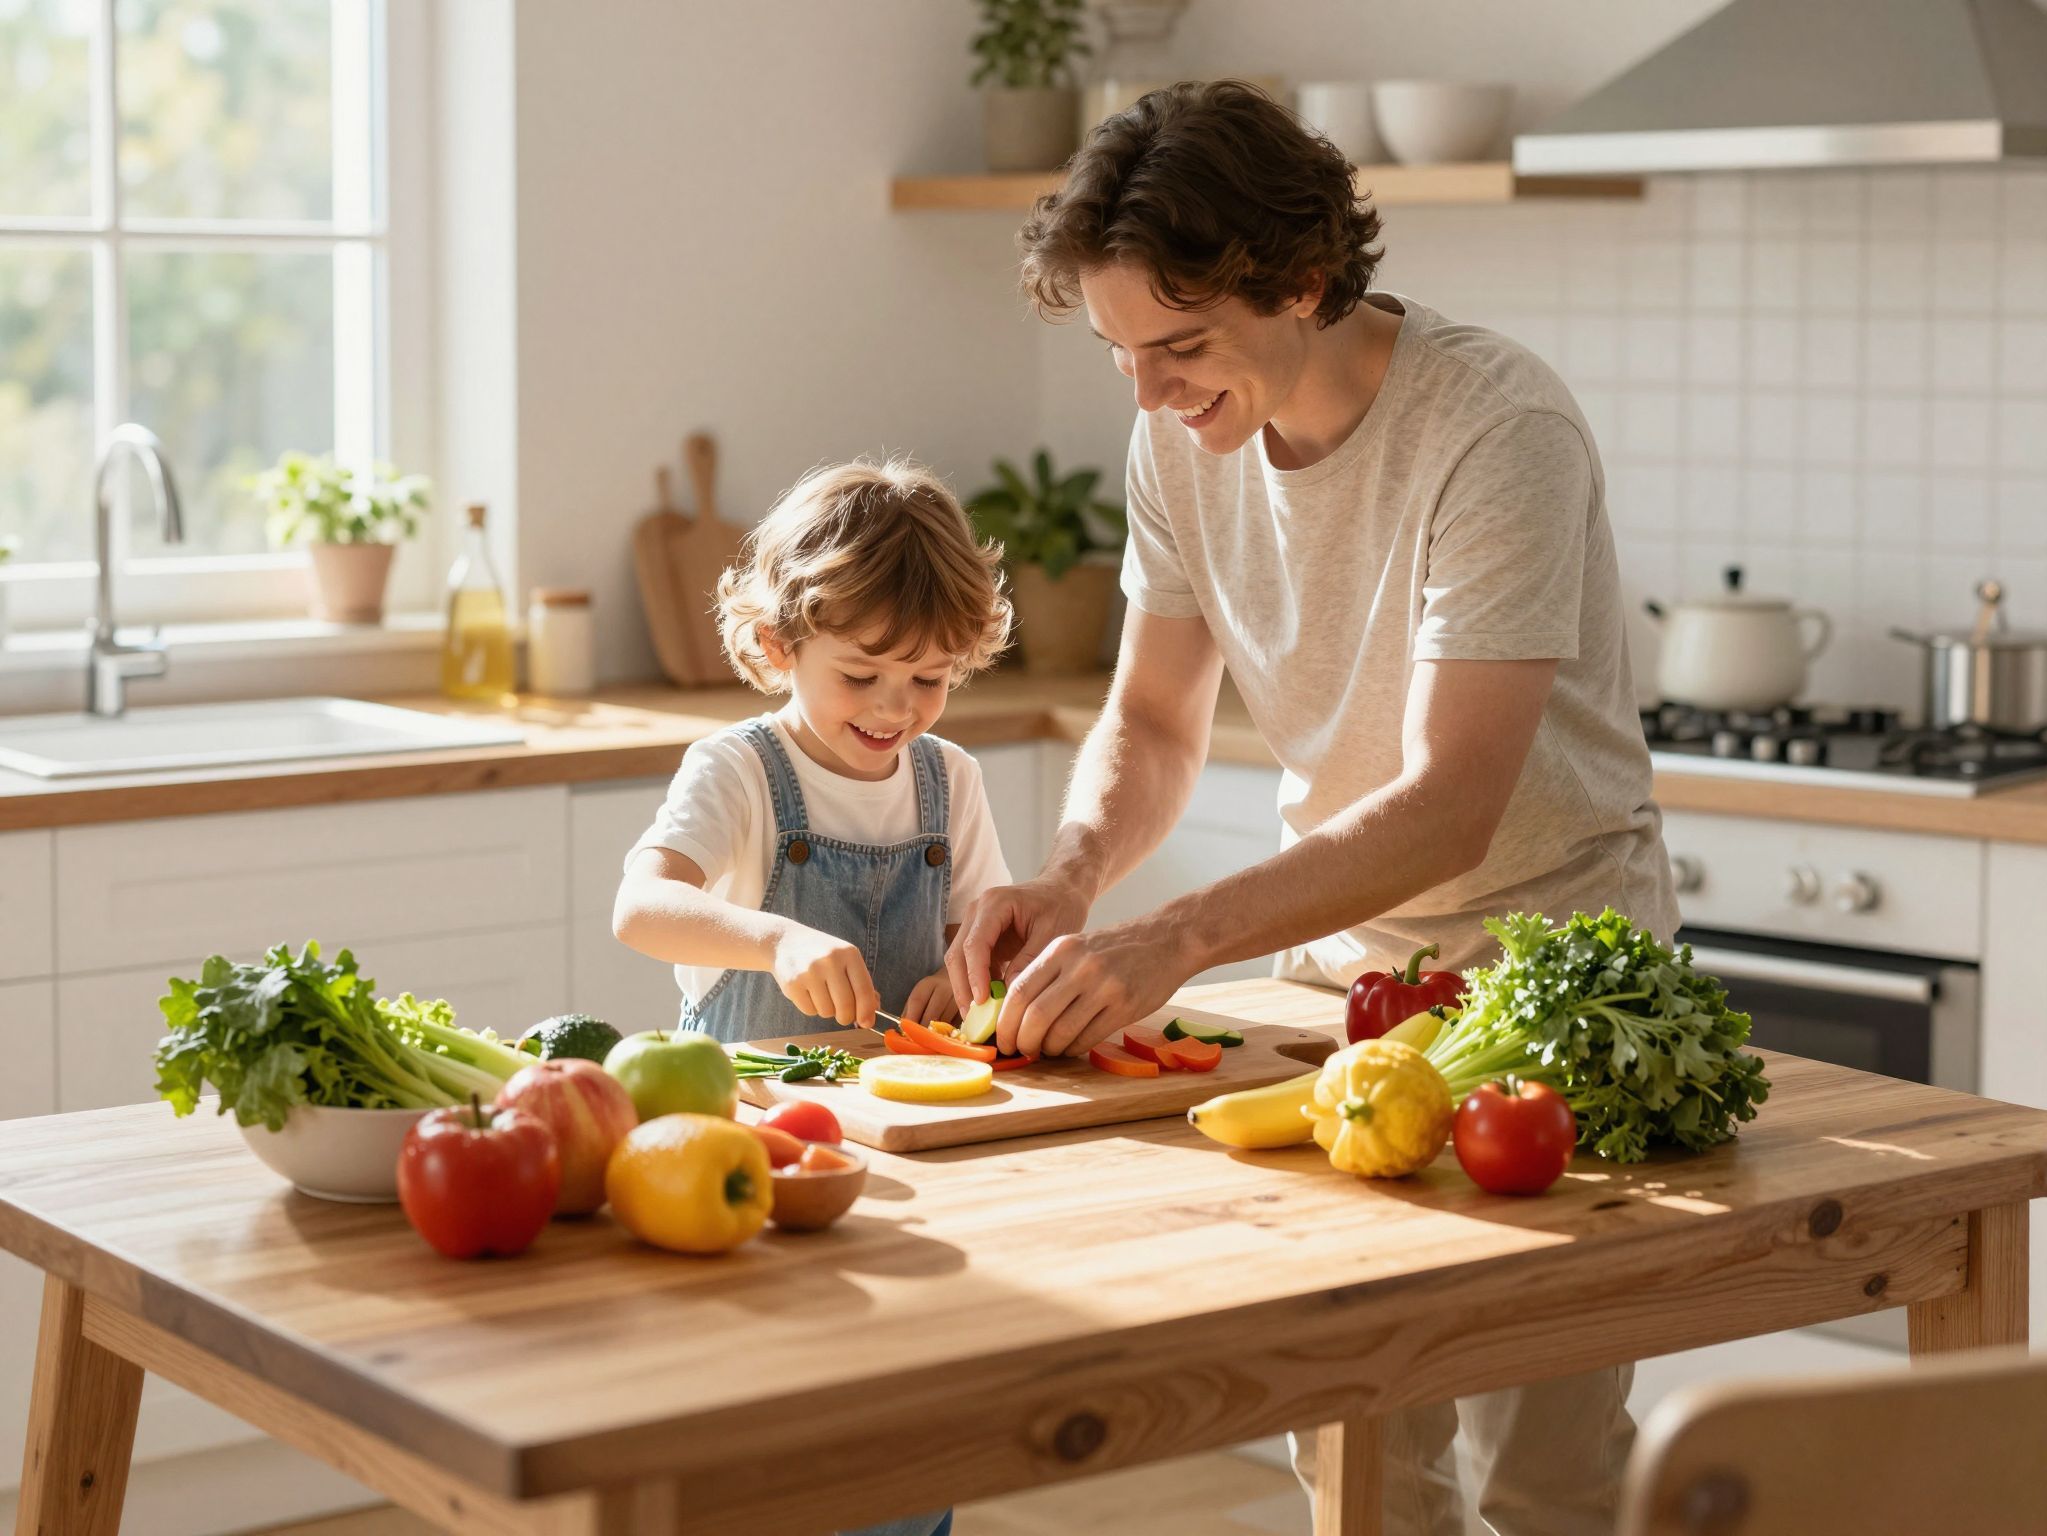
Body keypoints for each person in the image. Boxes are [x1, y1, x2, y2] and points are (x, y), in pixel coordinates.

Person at [944, 81, 1677, 1536]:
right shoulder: (1182, 444)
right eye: (1119, 356)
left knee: (1537, 1475)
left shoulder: (1497, 425)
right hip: (1340, 988)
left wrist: (1174, 940)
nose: (1148, 395)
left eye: (1179, 347)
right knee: (1352, 1446)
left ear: (1301, 280)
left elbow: (1448, 806)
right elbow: (1154, 721)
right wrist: (1078, 872)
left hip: (1549, 987)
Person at [614, 456, 1014, 1050]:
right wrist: (775, 941)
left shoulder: (951, 778)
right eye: (859, 677)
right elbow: (641, 909)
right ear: (781, 646)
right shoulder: (737, 769)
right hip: (755, 1106)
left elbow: (982, 939)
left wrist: (956, 979)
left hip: (902, 1102)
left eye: (929, 680)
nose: (895, 710)